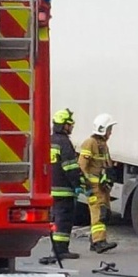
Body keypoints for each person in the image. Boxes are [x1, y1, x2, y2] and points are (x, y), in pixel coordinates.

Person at [41, 108, 81, 265]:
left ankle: (57, 249)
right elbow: (70, 167)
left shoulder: (49, 140)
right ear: (63, 125)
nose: (71, 127)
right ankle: (61, 250)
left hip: (50, 188)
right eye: (69, 124)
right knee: (64, 220)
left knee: (57, 219)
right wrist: (78, 184)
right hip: (64, 190)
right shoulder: (64, 143)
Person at [78, 113, 118, 254]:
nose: (110, 133)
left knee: (105, 213)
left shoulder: (103, 145)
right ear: (102, 129)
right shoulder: (90, 143)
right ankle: (99, 241)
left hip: (102, 187)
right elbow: (82, 165)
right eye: (109, 129)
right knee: (99, 213)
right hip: (94, 187)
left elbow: (105, 164)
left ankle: (95, 241)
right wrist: (85, 185)